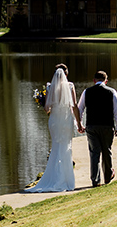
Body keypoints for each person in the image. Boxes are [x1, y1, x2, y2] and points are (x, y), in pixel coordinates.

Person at [27, 64, 83, 192]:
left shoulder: (49, 87)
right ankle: (66, 179)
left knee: (56, 146)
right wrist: (79, 123)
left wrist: (41, 101)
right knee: (66, 146)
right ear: (66, 74)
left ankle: (53, 177)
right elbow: (74, 106)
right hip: (66, 120)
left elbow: (47, 109)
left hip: (54, 121)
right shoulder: (70, 86)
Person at [78, 70, 117, 187]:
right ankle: (107, 176)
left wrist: (79, 124)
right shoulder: (112, 92)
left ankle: (95, 180)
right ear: (106, 81)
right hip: (107, 126)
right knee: (106, 151)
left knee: (94, 153)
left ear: (94, 81)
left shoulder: (86, 92)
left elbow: (79, 109)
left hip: (91, 126)